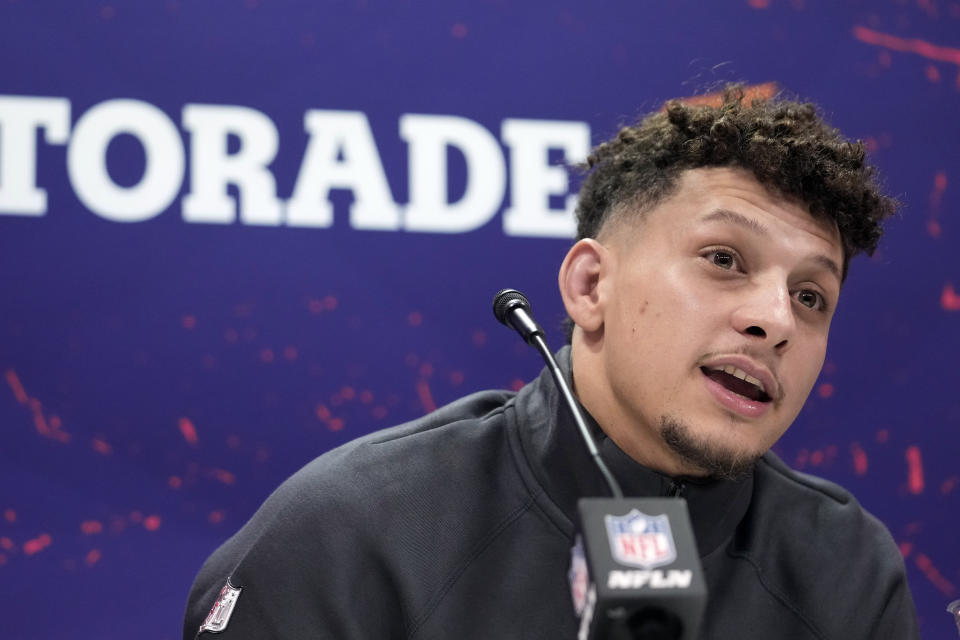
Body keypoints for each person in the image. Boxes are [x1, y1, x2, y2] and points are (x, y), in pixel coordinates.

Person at [183, 86, 920, 639]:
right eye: (724, 259)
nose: (775, 320)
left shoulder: (846, 571)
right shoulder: (350, 531)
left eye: (812, 296)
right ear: (590, 286)